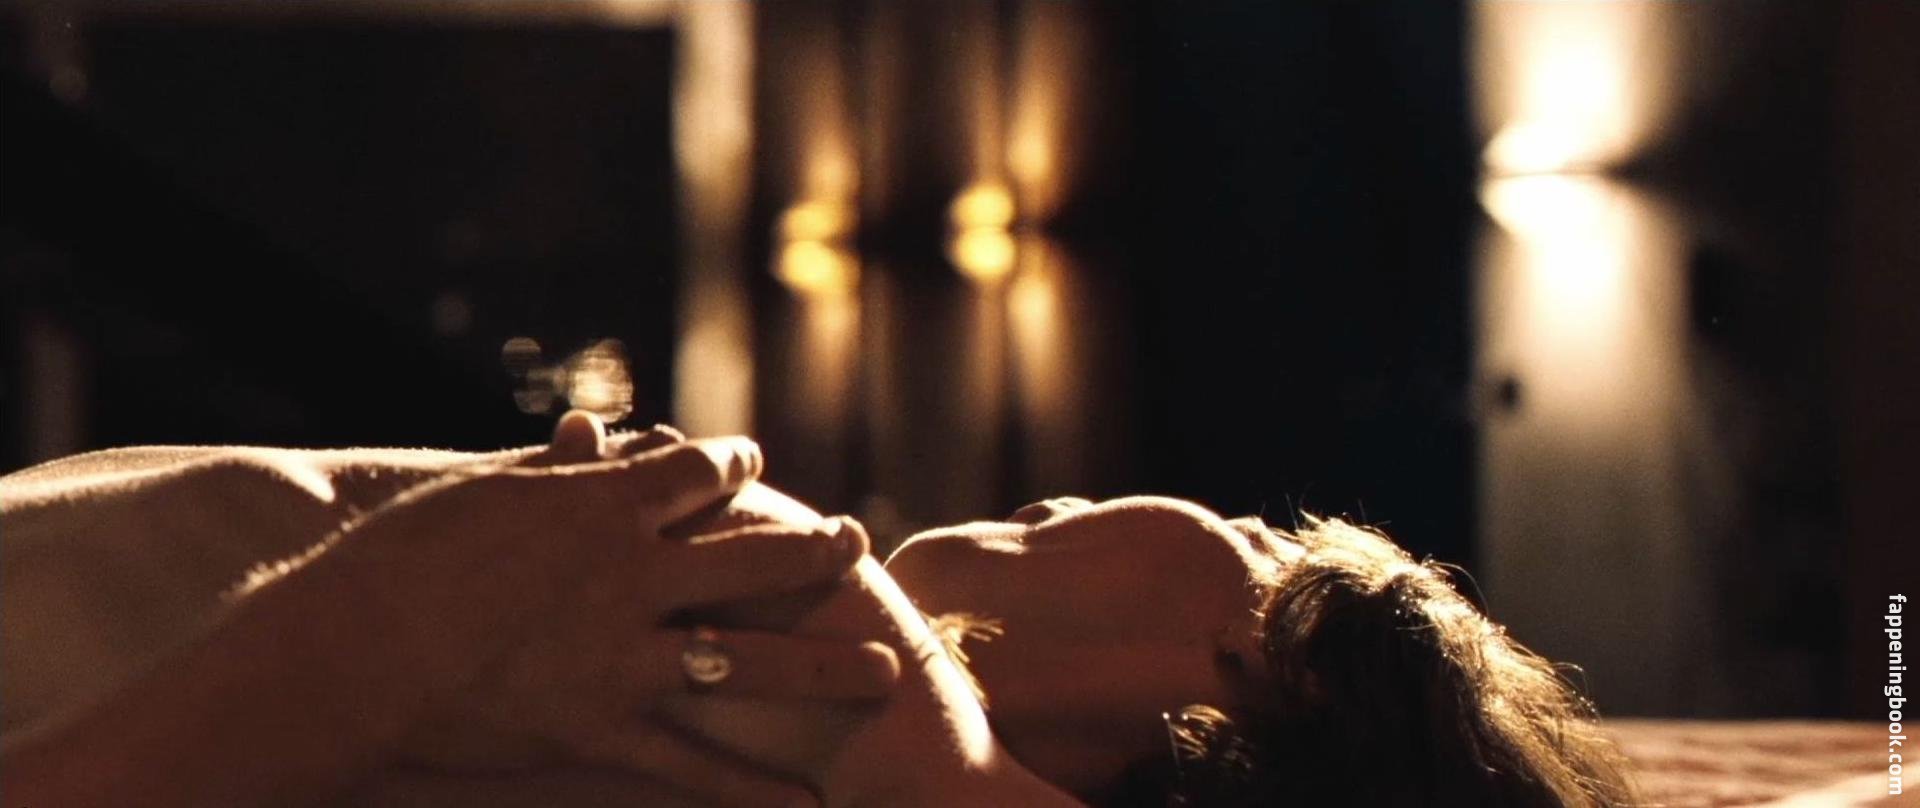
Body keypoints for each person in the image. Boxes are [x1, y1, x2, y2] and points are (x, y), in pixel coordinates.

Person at [1, 412, 1640, 806]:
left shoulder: (844, 671)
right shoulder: (860, 695)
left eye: (1261, 543)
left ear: (1274, 664)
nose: (1073, 501)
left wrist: (364, 640)